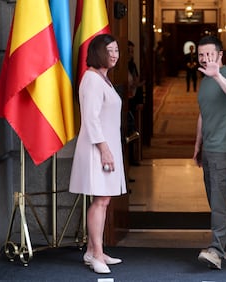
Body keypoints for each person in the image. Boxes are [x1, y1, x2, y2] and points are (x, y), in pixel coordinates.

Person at [69, 34, 127, 274]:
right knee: (101, 200)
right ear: (97, 53)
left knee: (104, 199)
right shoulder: (92, 79)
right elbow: (91, 119)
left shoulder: (104, 79)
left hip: (107, 146)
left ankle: (95, 252)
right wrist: (104, 150)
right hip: (97, 148)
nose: (114, 54)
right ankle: (95, 254)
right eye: (109, 50)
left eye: (116, 50)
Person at [193, 35, 226, 270]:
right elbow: (203, 113)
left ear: (220, 54)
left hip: (224, 147)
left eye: (209, 54)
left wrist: (216, 75)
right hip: (209, 148)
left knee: (219, 199)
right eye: (201, 55)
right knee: (218, 198)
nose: (204, 59)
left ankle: (216, 250)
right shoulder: (204, 80)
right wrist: (197, 146)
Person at [127, 40, 144, 166]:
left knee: (132, 131)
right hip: (124, 103)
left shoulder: (132, 66)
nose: (131, 54)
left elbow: (137, 83)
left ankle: (132, 159)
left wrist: (140, 100)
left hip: (132, 101)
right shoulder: (119, 67)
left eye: (132, 52)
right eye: (129, 51)